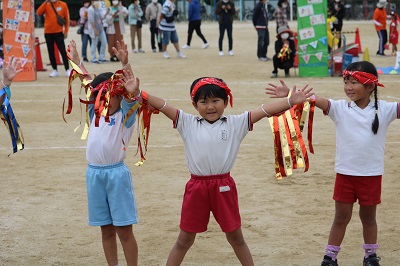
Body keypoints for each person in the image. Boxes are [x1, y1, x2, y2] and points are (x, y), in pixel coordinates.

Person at [120, 69, 313, 265]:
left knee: (236, 238)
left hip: (224, 187)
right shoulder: (187, 123)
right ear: (195, 105)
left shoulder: (236, 123)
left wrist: (290, 101)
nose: (210, 107)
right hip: (196, 188)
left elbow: (264, 110)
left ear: (226, 101)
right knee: (184, 240)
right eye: (203, 102)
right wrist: (139, 93)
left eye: (215, 101)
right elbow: (162, 105)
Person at [266, 61, 400, 266]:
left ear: (371, 86)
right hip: (345, 174)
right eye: (346, 81)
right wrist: (290, 97)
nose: (348, 87)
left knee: (368, 218)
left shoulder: (385, 109)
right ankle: (330, 256)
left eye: (355, 82)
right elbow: (315, 100)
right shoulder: (340, 108)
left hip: (371, 175)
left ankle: (370, 255)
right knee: (341, 217)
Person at [66, 39, 141, 266]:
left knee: (123, 231)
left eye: (112, 96)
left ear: (120, 95)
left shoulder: (125, 117)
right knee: (106, 230)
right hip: (94, 175)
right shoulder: (93, 113)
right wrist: (76, 61)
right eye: (101, 96)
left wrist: (126, 65)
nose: (106, 101)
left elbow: (132, 91)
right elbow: (86, 81)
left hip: (116, 176)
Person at [36, 0, 71, 78]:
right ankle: (55, 69)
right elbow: (38, 12)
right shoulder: (46, 4)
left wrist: (66, 31)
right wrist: (45, 2)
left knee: (62, 50)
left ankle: (67, 69)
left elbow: (67, 19)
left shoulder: (63, 4)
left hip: (58, 32)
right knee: (50, 51)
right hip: (48, 32)